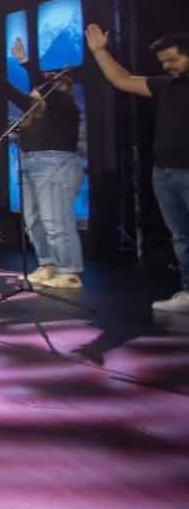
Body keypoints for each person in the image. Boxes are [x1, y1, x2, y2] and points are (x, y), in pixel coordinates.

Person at [86, 24, 189, 313]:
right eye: (163, 62)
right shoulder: (164, 84)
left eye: (173, 59)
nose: (167, 66)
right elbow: (123, 79)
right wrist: (99, 52)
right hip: (164, 173)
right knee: (181, 238)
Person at [0, 38, 85, 289]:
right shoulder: (39, 109)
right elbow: (21, 93)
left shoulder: (64, 105)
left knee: (55, 219)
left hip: (55, 164)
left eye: (36, 92)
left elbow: (41, 91)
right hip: (31, 163)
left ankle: (69, 271)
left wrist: (24, 64)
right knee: (33, 220)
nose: (30, 97)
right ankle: (47, 264)